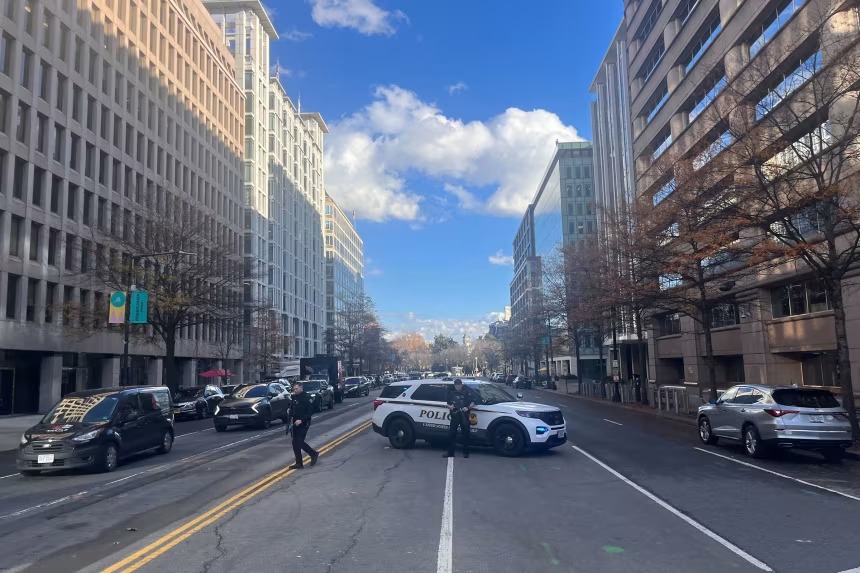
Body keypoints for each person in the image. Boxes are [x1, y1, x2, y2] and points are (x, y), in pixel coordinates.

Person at [288, 382, 319, 470]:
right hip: (295, 423)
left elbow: (310, 412)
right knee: (295, 443)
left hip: (304, 423)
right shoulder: (295, 397)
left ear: (301, 387)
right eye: (294, 389)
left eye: (296, 389)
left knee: (299, 441)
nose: (295, 390)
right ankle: (299, 463)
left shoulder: (307, 397)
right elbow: (294, 410)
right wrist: (290, 412)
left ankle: (313, 454)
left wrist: (301, 420)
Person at [444, 378, 475, 458]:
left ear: (461, 385)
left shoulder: (466, 392)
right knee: (452, 434)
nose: (457, 386)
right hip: (455, 415)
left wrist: (468, 407)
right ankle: (450, 453)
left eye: (459, 384)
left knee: (465, 434)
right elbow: (447, 403)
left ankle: (466, 452)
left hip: (464, 415)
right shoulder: (451, 392)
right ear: (454, 385)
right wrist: (450, 407)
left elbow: (473, 402)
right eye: (456, 385)